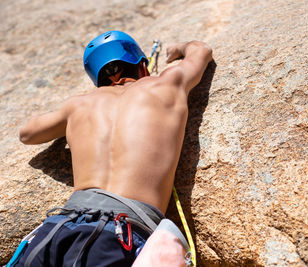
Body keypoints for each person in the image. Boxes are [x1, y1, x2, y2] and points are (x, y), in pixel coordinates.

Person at [9, 30, 212, 267]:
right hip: (119, 234)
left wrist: (72, 123)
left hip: (58, 230)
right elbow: (201, 50)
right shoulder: (168, 82)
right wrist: (178, 47)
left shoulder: (78, 105)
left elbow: (27, 133)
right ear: (142, 67)